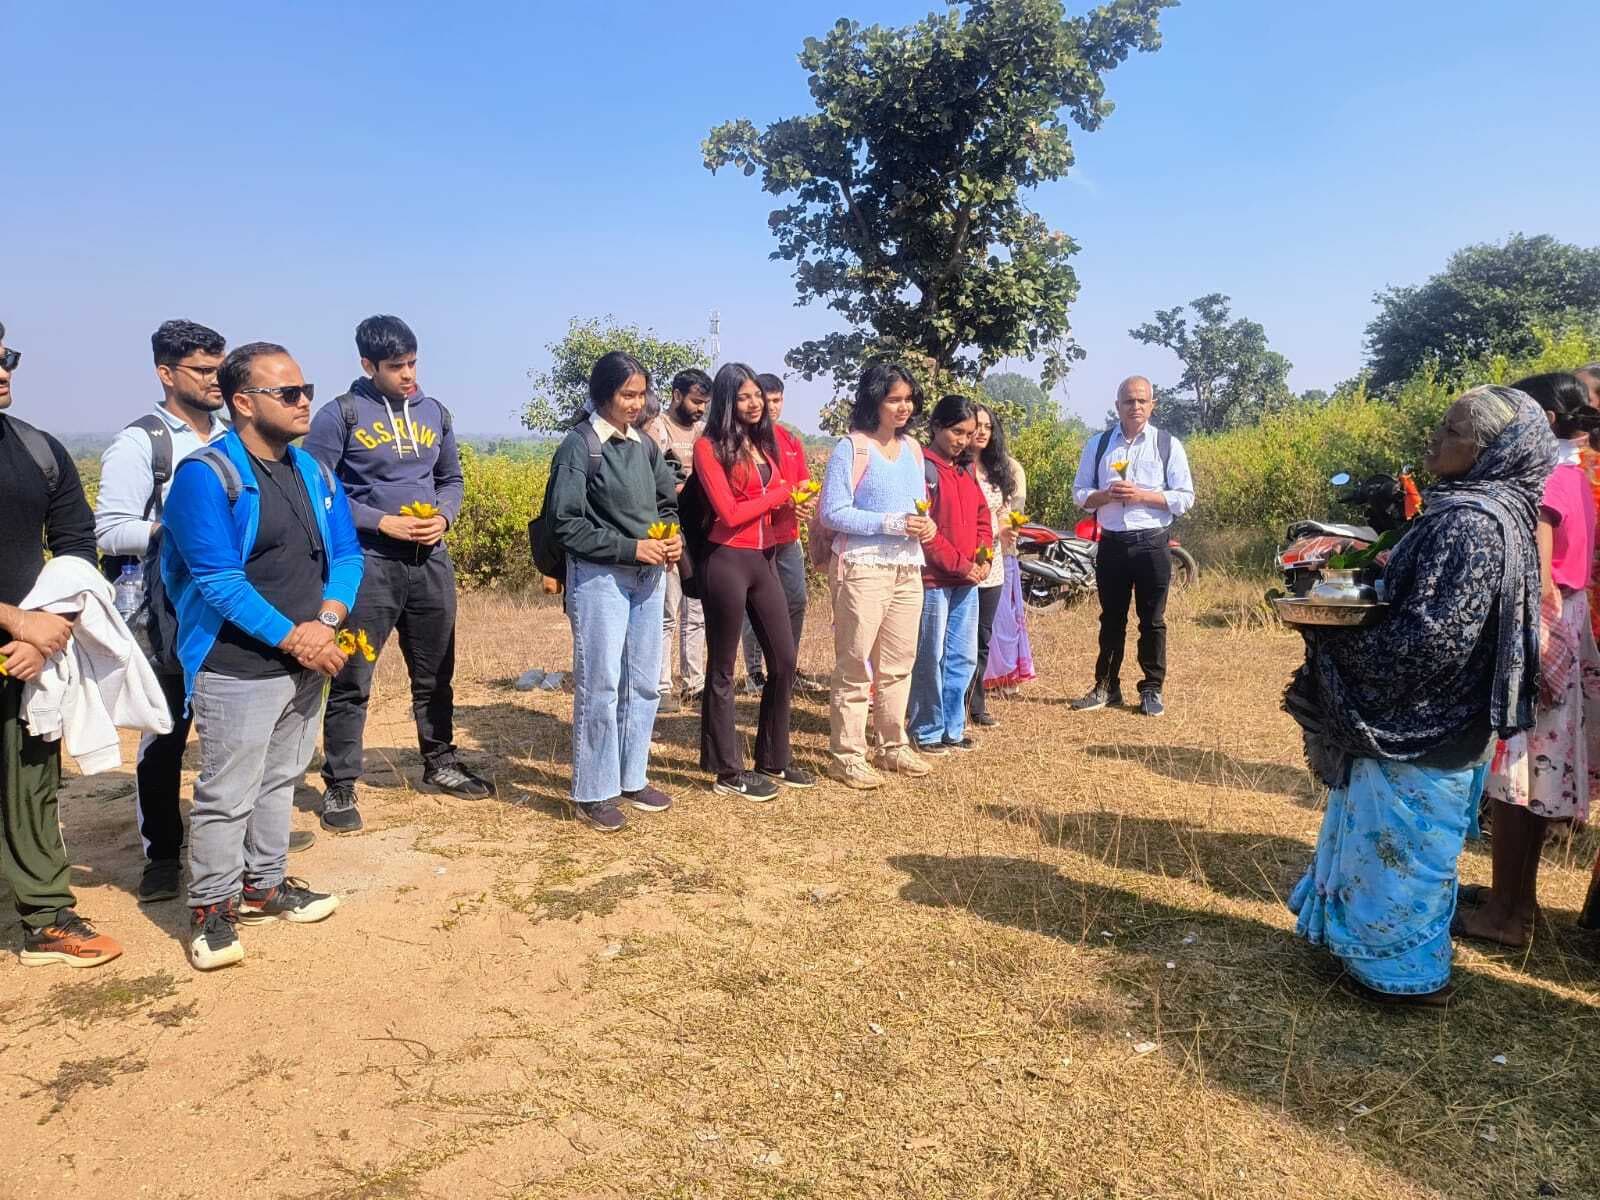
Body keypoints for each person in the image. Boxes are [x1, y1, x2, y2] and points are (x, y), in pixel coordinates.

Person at [1284, 386, 1554, 1004]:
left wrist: (1331, 633)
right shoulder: (1498, 510)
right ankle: (1375, 956)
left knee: (1404, 855)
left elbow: (1428, 640)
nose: (1436, 438)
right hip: (1450, 718)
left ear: (1492, 450)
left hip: (1424, 719)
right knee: (1405, 847)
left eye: (1452, 431)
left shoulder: (1470, 523)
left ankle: (1400, 977)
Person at [95, 320, 315, 902]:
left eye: (220, 369)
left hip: (232, 609)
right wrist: (188, 530)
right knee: (166, 732)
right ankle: (163, 852)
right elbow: (110, 529)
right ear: (166, 373)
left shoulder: (237, 437)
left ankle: (252, 869)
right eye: (201, 370)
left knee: (240, 749)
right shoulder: (143, 442)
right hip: (167, 612)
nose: (214, 380)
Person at [161, 342, 362, 971]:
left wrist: (326, 623)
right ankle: (210, 909)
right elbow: (217, 580)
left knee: (282, 778)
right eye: (289, 393)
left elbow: (348, 555)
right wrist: (295, 635)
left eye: (306, 390)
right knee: (226, 791)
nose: (306, 402)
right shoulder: (206, 476)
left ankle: (264, 883)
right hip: (234, 662)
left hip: (306, 657)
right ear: (243, 402)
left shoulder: (313, 472)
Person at [303, 315, 489, 837]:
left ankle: (440, 762)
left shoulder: (435, 412)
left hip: (430, 562)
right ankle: (341, 783)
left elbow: (450, 478)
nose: (409, 375)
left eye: (413, 363)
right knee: (353, 677)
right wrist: (379, 520)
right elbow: (316, 490)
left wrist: (445, 517)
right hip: (368, 566)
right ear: (367, 364)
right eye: (396, 367)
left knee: (435, 673)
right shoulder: (338, 415)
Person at [1455, 373, 1600, 948]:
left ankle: (1506, 916)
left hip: (1544, 639)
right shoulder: (1574, 474)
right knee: (1534, 784)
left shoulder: (1547, 483)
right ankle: (1516, 902)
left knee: (1518, 786)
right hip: (1568, 630)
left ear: (1538, 417)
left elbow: (1536, 581)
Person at [0, 320, 124, 967]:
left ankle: (46, 918)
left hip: (28, 654)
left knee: (29, 787)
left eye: (7, 358)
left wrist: (47, 631)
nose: (3, 372)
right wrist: (16, 623)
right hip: (18, 636)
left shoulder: (37, 450)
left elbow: (78, 549)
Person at [548, 352, 682, 832]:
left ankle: (632, 776)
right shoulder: (580, 446)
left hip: (649, 574)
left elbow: (667, 502)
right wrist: (631, 548)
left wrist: (670, 535)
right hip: (600, 578)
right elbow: (564, 523)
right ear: (604, 394)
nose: (637, 402)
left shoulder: (644, 445)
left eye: (642, 394)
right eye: (628, 394)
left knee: (644, 682)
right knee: (600, 685)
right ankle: (593, 791)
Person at [691, 363, 813, 800]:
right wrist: (781, 495)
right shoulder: (708, 447)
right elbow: (730, 513)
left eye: (757, 395)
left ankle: (773, 759)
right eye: (744, 396)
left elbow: (768, 506)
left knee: (784, 660)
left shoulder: (764, 445)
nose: (754, 403)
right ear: (727, 400)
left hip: (764, 558)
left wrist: (791, 507)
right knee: (723, 667)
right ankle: (727, 770)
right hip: (725, 559)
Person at [817, 363, 938, 789]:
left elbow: (919, 510)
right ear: (874, 401)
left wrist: (928, 527)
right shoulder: (852, 448)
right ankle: (846, 754)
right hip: (863, 567)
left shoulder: (914, 450)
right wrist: (891, 522)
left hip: (908, 567)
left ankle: (892, 745)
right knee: (855, 663)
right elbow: (832, 512)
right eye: (894, 399)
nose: (904, 407)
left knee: (899, 662)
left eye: (908, 399)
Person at [1070, 376, 1195, 717]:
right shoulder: (1098, 445)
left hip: (1153, 543)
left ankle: (1151, 688)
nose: (1135, 407)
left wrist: (1143, 495)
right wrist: (1105, 495)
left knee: (1152, 620)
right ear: (1117, 406)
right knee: (1111, 618)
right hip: (1111, 543)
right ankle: (1106, 686)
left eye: (1142, 401)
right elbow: (1080, 494)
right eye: (1129, 401)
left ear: (1152, 405)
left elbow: (1184, 498)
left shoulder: (1167, 444)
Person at [908, 395, 992, 754]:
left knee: (962, 656)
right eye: (957, 431)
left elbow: (982, 517)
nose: (963, 440)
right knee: (929, 657)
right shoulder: (921, 468)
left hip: (967, 582)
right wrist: (963, 565)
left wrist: (984, 558)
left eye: (969, 433)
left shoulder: (965, 470)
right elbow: (926, 533)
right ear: (937, 426)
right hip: (934, 581)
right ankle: (926, 729)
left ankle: (953, 729)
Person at [739, 374, 826, 699]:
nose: (771, 407)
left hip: (789, 536)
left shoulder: (790, 441)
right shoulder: (745, 440)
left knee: (797, 600)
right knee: (754, 605)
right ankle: (754, 672)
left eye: (778, 400)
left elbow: (803, 484)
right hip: (755, 538)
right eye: (767, 400)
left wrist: (805, 502)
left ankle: (785, 666)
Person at [644, 368, 710, 714]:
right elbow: (649, 480)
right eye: (696, 401)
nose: (700, 409)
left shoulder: (702, 433)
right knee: (667, 610)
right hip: (667, 529)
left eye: (705, 403)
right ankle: (662, 686)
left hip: (696, 531)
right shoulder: (657, 429)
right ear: (676, 394)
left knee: (695, 608)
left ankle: (695, 684)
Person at [967, 403, 1024, 724]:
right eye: (977, 425)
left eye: (988, 426)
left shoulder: (997, 472)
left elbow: (1001, 516)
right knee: (953, 638)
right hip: (960, 565)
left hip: (993, 565)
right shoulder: (955, 469)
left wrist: (1008, 529)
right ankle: (947, 705)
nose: (983, 431)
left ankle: (976, 705)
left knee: (981, 637)